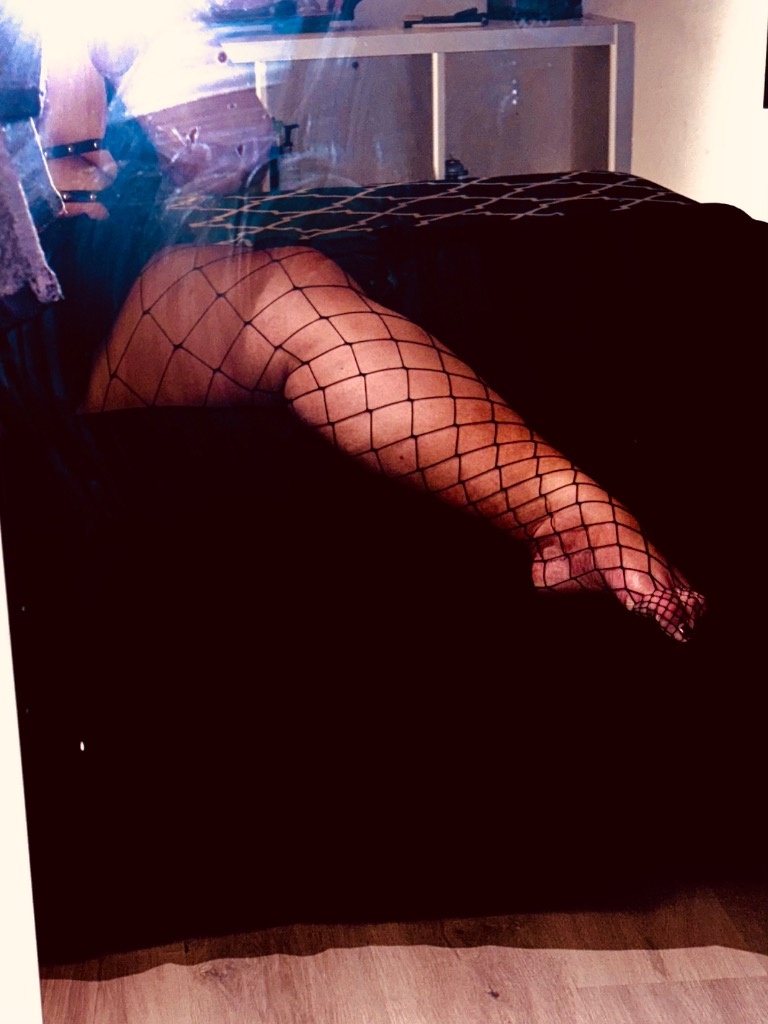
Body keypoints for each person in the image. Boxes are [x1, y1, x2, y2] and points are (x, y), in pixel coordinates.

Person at [33, 11, 705, 643]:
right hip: (31, 308)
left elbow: (238, 142)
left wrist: (111, 62)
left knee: (295, 285)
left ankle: (571, 513)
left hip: (93, 256)